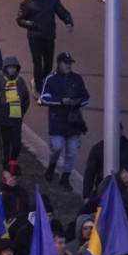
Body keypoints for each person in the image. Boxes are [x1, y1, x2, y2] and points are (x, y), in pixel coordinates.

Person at [16, 0, 74, 96]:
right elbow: (20, 19)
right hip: (35, 37)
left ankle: (38, 80)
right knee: (37, 63)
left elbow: (61, 11)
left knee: (48, 65)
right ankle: (38, 88)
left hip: (49, 36)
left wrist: (68, 21)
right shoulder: (27, 1)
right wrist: (32, 25)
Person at [39, 52, 90, 190]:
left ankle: (65, 177)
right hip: (58, 122)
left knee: (72, 151)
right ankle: (52, 165)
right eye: (66, 63)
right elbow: (44, 99)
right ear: (59, 63)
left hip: (73, 122)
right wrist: (62, 101)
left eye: (70, 63)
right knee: (57, 146)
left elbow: (86, 97)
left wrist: (78, 101)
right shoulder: (51, 79)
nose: (69, 65)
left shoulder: (77, 78)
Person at [0, 58, 30, 166]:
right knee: (6, 145)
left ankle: (12, 162)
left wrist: (22, 110)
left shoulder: (20, 81)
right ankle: (6, 166)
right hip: (4, 118)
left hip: (17, 118)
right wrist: (0, 112)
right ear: (5, 68)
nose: (12, 70)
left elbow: (26, 98)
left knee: (17, 145)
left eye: (14, 67)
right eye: (10, 67)